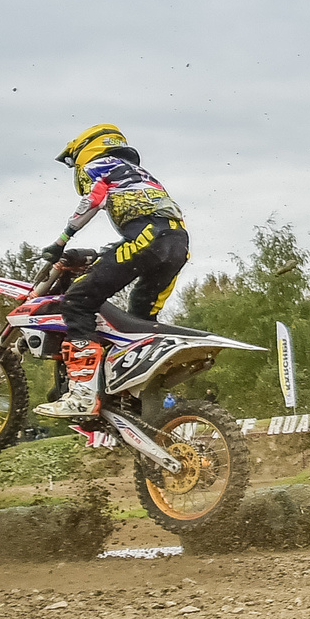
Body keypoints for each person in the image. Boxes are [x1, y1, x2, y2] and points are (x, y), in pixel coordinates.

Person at [34, 124, 192, 418]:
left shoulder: (100, 164)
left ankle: (82, 394)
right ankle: (136, 399)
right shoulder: (139, 174)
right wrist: (97, 255)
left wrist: (61, 241)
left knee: (77, 301)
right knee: (139, 322)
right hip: (177, 242)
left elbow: (93, 200)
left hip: (149, 238)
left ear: (84, 149)